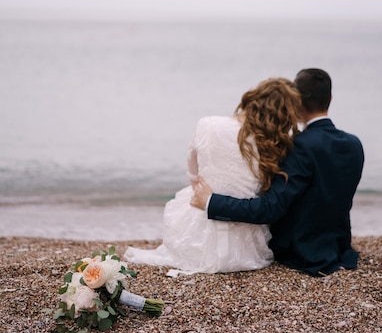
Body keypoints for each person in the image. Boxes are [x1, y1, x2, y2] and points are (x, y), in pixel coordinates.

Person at [191, 69, 364, 276]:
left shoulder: (299, 146)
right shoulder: (354, 144)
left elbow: (269, 209)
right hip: (340, 247)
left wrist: (211, 201)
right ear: (330, 98)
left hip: (301, 251)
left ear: (296, 102)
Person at [124, 77, 301, 273]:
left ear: (252, 99)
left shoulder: (208, 125)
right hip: (247, 249)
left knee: (189, 197)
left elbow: (193, 173)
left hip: (199, 240)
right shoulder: (275, 145)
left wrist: (205, 192)